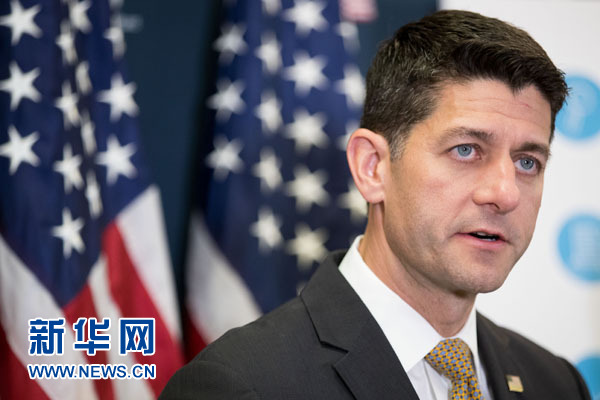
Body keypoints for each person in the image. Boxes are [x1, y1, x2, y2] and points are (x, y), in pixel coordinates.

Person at [161, 10, 591, 400]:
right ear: (373, 168)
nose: (505, 193)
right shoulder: (240, 385)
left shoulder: (556, 384)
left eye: (527, 162)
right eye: (466, 150)